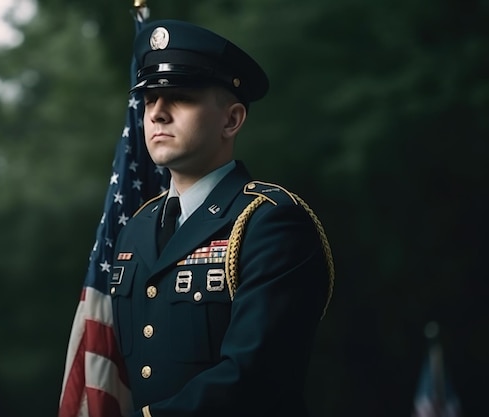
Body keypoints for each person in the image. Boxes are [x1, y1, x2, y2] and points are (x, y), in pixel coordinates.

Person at [110, 19, 334, 417]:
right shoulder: (136, 229)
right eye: (148, 101)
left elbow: (252, 378)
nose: (157, 114)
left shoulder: (271, 223)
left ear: (231, 120)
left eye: (179, 97)